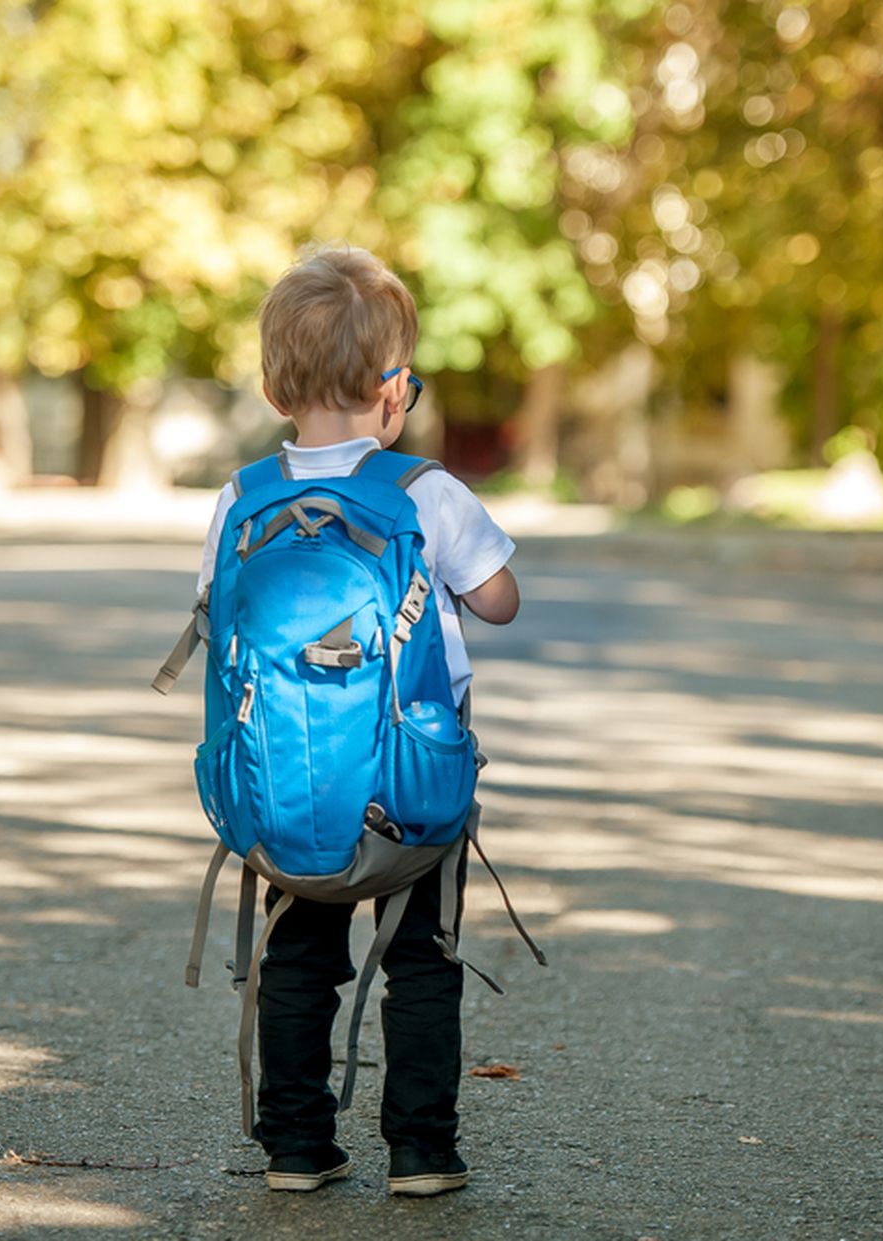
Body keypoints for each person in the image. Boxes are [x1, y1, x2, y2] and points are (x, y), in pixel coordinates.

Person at [195, 245, 521, 1196]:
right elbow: (498, 601)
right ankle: (423, 1151)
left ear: (271, 383)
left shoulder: (241, 500)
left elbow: (218, 619)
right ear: (393, 391)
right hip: (411, 787)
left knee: (296, 960)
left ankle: (295, 1147)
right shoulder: (424, 494)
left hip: (286, 788)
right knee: (423, 962)